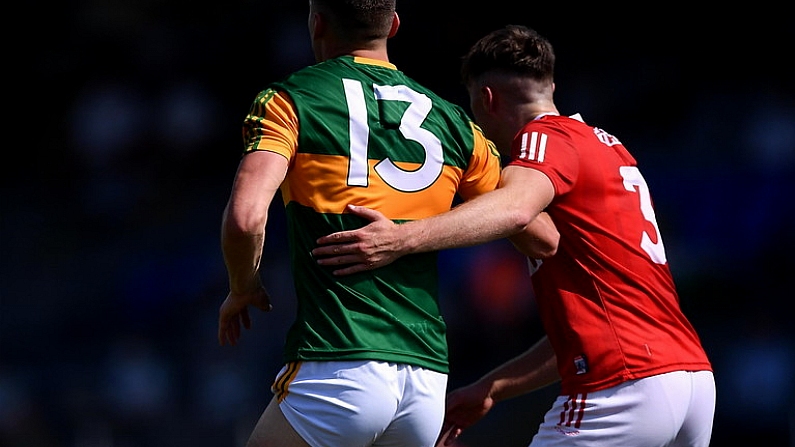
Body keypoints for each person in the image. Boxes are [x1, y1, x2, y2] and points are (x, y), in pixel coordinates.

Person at [311, 24, 716, 447]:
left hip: (622, 385)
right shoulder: (610, 148)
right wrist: (494, 386)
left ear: (486, 100)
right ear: (551, 84)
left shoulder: (545, 139)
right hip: (689, 380)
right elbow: (586, 329)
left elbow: (517, 210)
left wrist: (400, 239)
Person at [214, 2, 552, 446]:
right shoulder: (455, 124)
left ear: (316, 22)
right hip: (426, 381)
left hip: (338, 360)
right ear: (393, 25)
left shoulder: (289, 101)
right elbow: (542, 237)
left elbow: (245, 218)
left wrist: (243, 286)